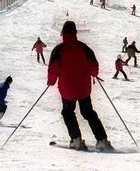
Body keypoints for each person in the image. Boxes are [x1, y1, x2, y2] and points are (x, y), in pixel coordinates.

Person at [47, 21, 113, 151]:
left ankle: (76, 139)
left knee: (68, 112)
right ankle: (102, 140)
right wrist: (92, 73)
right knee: (88, 112)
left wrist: (51, 81)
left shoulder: (59, 49)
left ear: (63, 34)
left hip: (67, 89)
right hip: (83, 88)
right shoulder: (83, 48)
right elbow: (93, 67)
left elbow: (54, 68)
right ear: (75, 33)